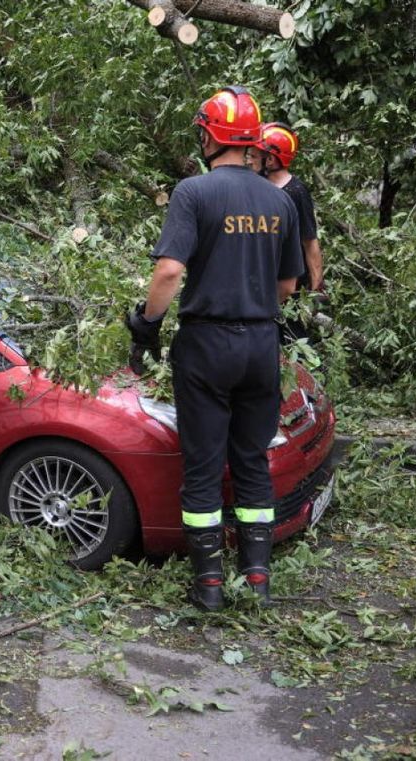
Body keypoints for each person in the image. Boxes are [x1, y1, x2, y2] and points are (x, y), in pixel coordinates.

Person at [124, 86, 304, 611]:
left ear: (208, 135)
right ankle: (257, 579)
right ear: (251, 142)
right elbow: (288, 286)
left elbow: (170, 270)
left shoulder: (193, 193)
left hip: (206, 344)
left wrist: (146, 324)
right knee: (251, 459)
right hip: (261, 345)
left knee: (203, 464)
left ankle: (208, 585)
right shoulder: (279, 199)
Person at [248, 122, 326, 343]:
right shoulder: (257, 185)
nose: (251, 158)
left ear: (271, 160)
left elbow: (309, 241)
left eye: (257, 155)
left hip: (289, 282)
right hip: (261, 277)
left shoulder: (296, 192)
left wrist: (316, 285)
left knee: (292, 337)